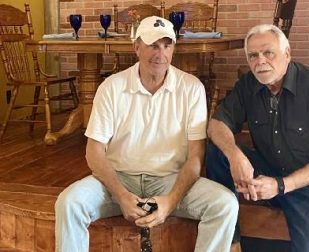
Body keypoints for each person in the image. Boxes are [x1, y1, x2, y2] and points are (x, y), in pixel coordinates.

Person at [55, 16, 238, 252]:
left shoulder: (192, 88)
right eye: (153, 45)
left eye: (166, 45)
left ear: (173, 48)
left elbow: (195, 156)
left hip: (170, 179)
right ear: (136, 47)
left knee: (224, 204)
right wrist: (120, 195)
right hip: (117, 178)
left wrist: (171, 201)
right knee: (69, 203)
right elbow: (94, 151)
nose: (160, 53)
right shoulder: (111, 87)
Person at [206, 24, 309, 251]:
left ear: (287, 54)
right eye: (253, 56)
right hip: (270, 171)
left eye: (268, 53)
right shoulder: (248, 84)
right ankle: (233, 241)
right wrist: (235, 155)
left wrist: (281, 186)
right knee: (217, 153)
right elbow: (216, 124)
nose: (260, 61)